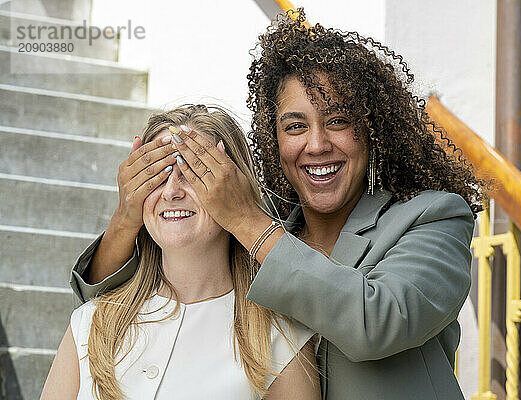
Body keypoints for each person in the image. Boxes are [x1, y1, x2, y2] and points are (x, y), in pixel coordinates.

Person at [68, 10, 488, 399]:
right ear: (274, 140)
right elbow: (119, 299)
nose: (317, 144)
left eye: (338, 121)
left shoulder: (433, 217)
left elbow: (377, 322)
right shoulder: (270, 237)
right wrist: (126, 217)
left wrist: (246, 219)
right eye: (295, 126)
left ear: (372, 131)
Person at [41, 105, 319, 400]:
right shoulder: (89, 323)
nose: (171, 191)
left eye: (194, 172)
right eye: (157, 175)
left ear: (235, 189)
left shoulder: (282, 339)